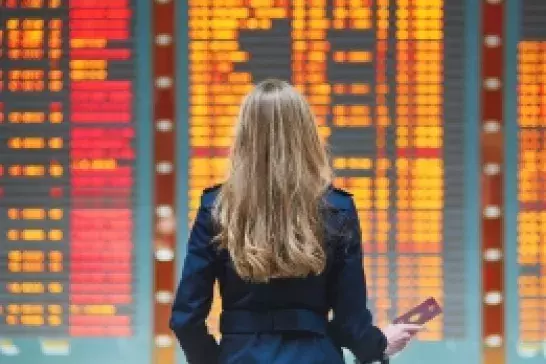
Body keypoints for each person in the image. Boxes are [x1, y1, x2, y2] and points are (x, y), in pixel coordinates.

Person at [170, 79, 420, 363]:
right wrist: (379, 344)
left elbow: (186, 318)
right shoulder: (337, 208)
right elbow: (350, 320)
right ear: (305, 133)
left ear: (244, 136)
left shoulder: (217, 208)